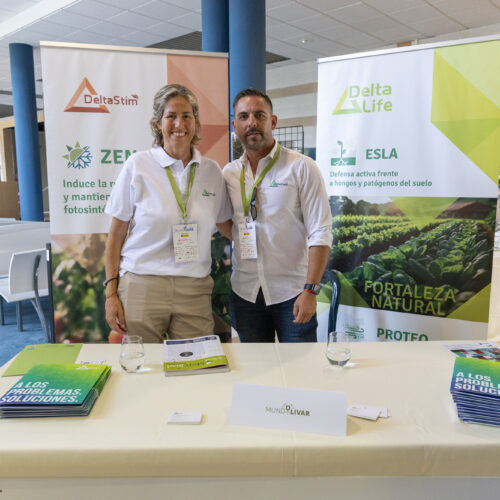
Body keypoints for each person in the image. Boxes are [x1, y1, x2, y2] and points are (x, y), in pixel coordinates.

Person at [104, 84, 232, 343]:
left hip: (194, 287)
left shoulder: (211, 171)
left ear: (195, 123)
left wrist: (267, 236)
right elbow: (116, 234)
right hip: (143, 284)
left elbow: (225, 225)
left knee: (193, 363)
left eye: (187, 116)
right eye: (171, 116)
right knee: (144, 363)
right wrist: (111, 293)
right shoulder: (138, 165)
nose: (179, 124)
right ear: (158, 123)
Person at [219, 88, 332, 342]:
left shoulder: (301, 167)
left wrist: (310, 290)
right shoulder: (229, 174)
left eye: (259, 115)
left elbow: (321, 232)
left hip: (293, 293)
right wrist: (244, 237)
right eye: (244, 116)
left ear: (273, 121)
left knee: (301, 364)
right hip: (245, 293)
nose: (252, 122)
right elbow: (224, 223)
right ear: (235, 126)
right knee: (255, 365)